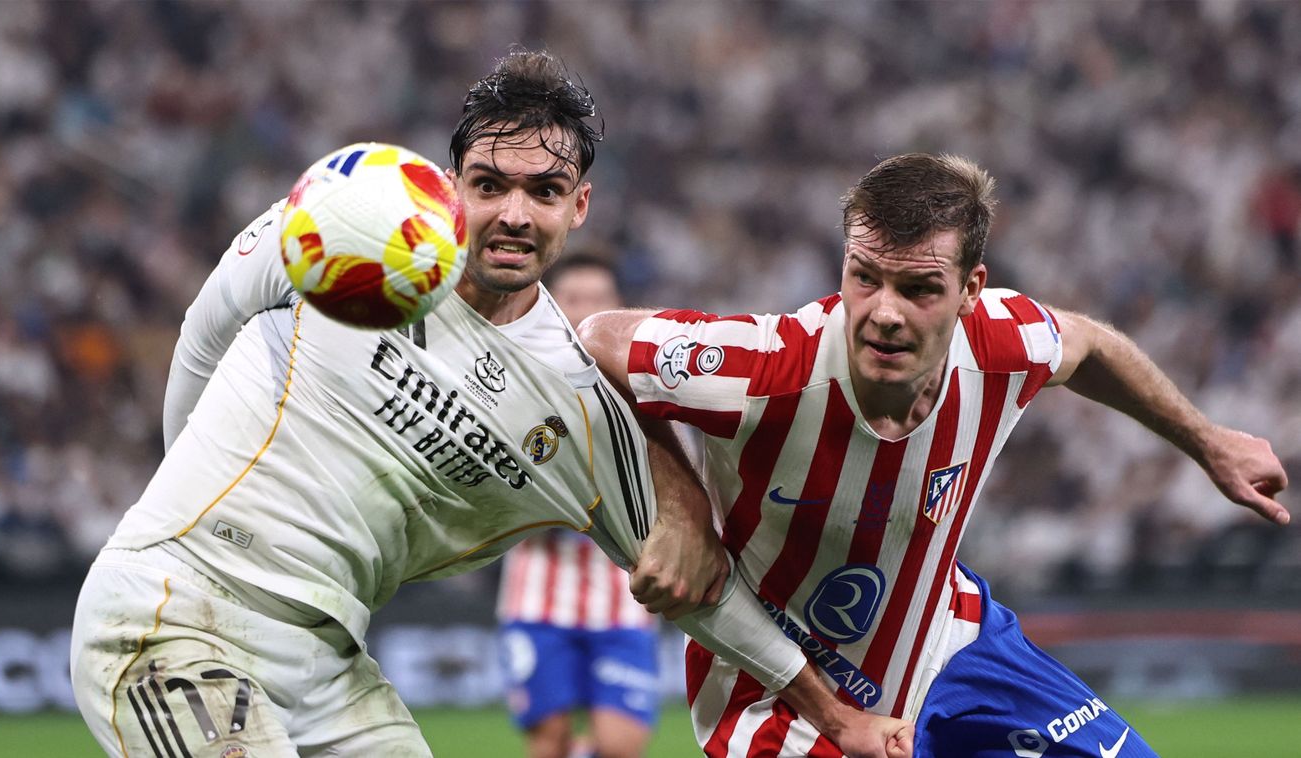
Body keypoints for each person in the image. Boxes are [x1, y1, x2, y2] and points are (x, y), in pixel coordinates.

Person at [70, 52, 912, 758]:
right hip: (173, 612)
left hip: (327, 662)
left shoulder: (573, 402)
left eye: (544, 191)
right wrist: (169, 516)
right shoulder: (354, 216)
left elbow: (701, 590)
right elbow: (208, 323)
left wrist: (833, 713)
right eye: (489, 184)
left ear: (578, 206)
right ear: (450, 185)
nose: (513, 214)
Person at [579, 152, 1291, 757]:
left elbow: (1089, 344)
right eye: (865, 278)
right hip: (776, 701)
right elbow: (599, 339)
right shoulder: (766, 367)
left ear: (969, 291)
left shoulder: (1001, 344)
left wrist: (1207, 441)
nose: (884, 312)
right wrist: (680, 510)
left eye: (918, 288)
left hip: (953, 647)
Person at [497, 255, 661, 758]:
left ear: (618, 309)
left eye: (598, 300)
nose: (586, 311)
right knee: (548, 742)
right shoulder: (511, 386)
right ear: (551, 305)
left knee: (620, 745)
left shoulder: (647, 396)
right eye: (574, 299)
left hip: (622, 599)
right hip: (539, 597)